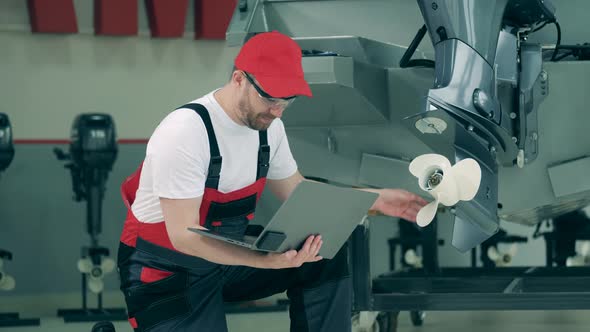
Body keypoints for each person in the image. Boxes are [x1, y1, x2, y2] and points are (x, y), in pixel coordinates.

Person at [116, 31, 428, 332]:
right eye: (269, 99)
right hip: (167, 272)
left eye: (287, 101)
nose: (277, 111)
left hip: (224, 260)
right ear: (239, 78)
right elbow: (184, 236)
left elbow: (297, 192)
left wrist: (376, 198)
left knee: (320, 255)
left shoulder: (269, 128)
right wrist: (266, 261)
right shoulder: (186, 131)